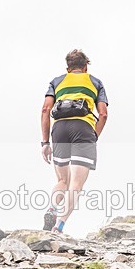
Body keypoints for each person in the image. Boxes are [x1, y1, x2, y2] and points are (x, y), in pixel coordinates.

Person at [41, 49, 109, 232]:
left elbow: (45, 110)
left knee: (62, 180)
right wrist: (93, 137)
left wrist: (45, 143)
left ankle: (51, 208)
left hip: (60, 130)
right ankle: (59, 226)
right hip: (83, 129)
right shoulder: (95, 82)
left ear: (68, 68)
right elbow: (103, 114)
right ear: (85, 67)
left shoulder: (57, 81)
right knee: (76, 184)